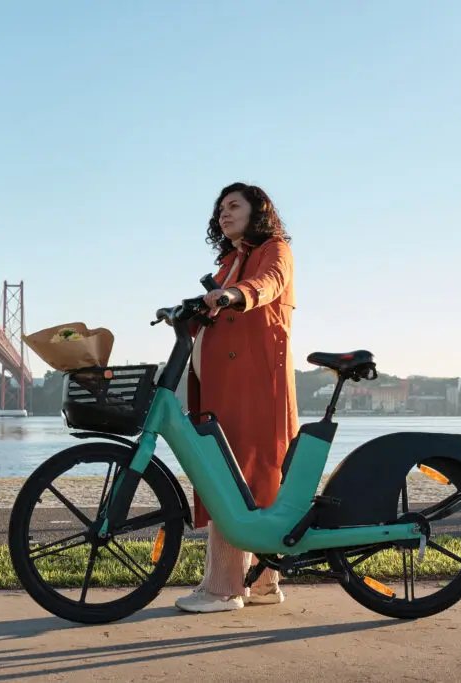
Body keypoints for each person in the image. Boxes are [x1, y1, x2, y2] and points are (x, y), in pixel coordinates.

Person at [174, 182, 299, 613]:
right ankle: (264, 584)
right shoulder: (231, 259)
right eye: (220, 207)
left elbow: (269, 283)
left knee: (233, 477)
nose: (224, 213)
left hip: (254, 386)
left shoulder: (273, 250)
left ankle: (223, 588)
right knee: (242, 478)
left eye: (234, 206)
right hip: (226, 386)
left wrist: (235, 294)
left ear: (257, 211)